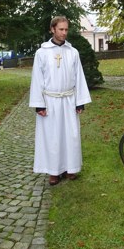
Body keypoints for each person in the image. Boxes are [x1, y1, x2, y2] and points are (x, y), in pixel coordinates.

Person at [29, 16, 92, 185]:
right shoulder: (42, 53)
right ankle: (54, 172)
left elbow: (79, 77)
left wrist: (80, 101)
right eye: (61, 29)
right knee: (52, 137)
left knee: (70, 135)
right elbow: (37, 79)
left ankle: (70, 168)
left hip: (69, 100)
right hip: (50, 101)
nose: (64, 33)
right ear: (52, 29)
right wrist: (38, 104)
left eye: (66, 29)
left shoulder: (73, 52)